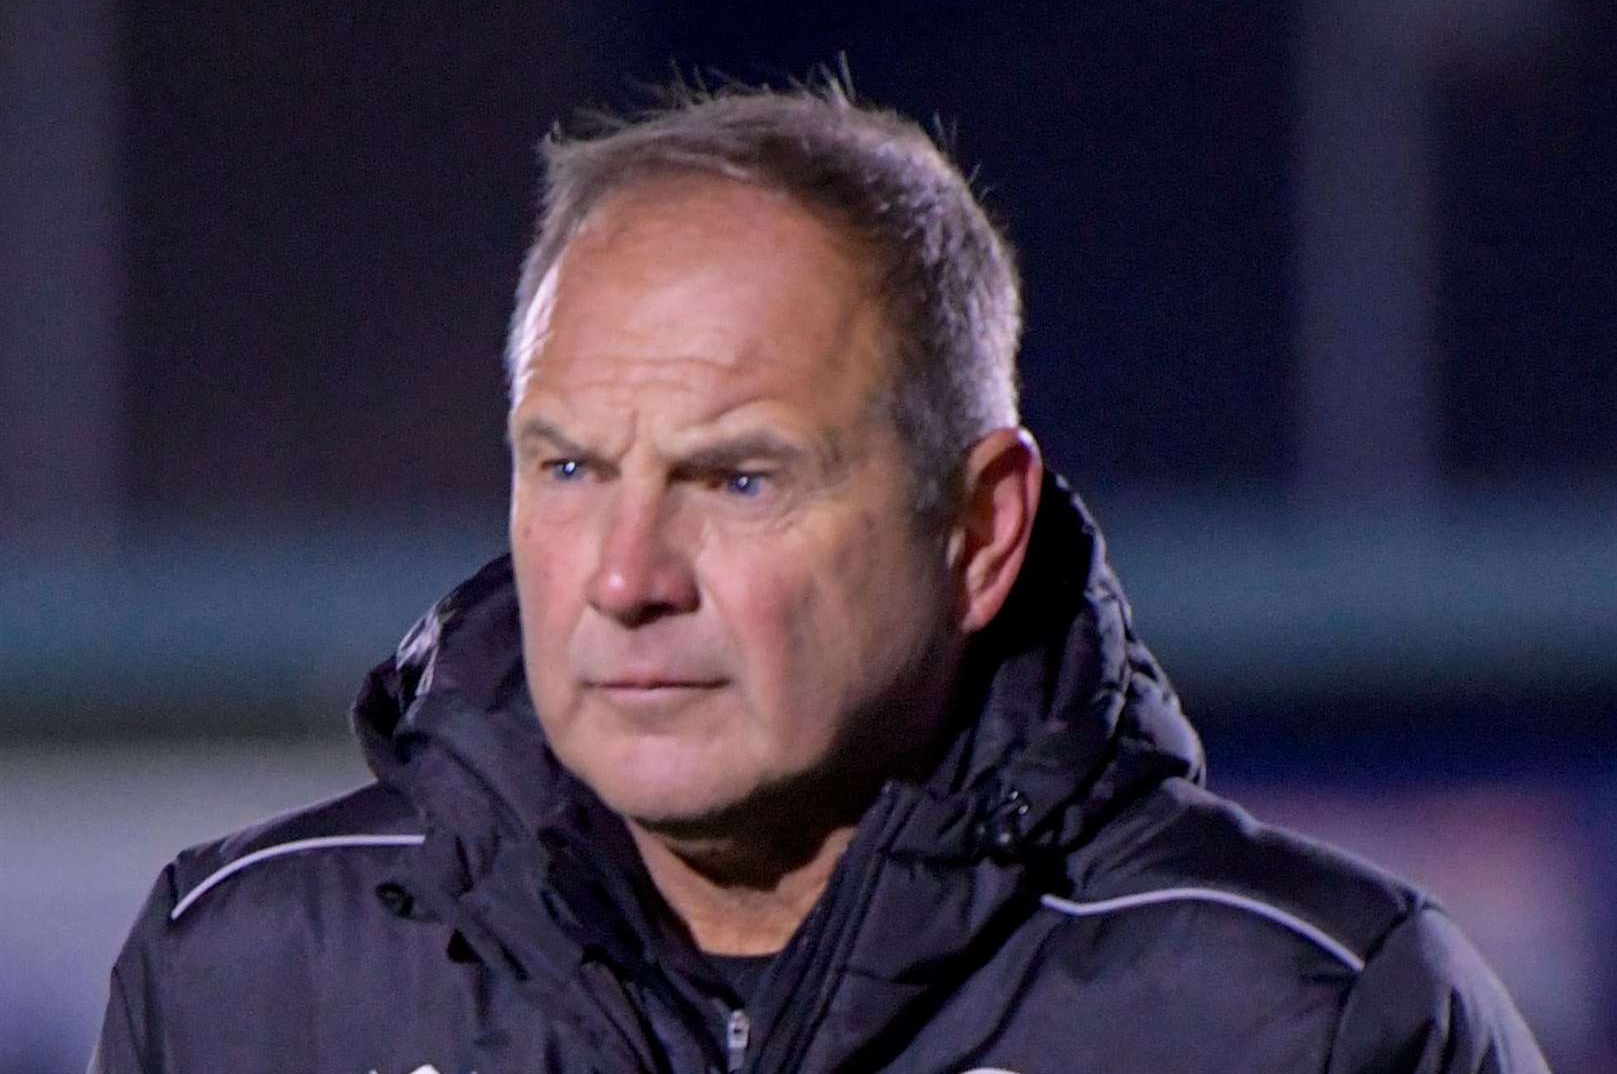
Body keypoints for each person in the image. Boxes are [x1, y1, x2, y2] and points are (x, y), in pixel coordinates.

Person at [92, 82, 1547, 1073]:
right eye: (570, 468)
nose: (626, 577)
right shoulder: (251, 975)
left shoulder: (1296, 1014)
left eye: (738, 480)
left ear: (978, 531)